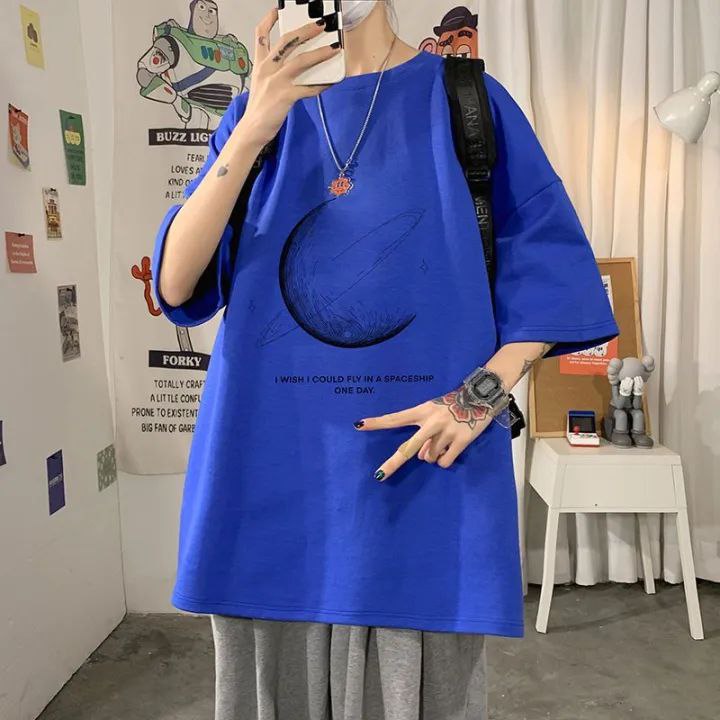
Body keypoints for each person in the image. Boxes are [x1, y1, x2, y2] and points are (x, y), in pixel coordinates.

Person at [151, 2, 619, 718]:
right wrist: (250, 128)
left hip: (424, 483)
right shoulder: (258, 116)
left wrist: (479, 397)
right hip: (271, 480)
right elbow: (177, 284)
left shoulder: (467, 101)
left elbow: (554, 276)